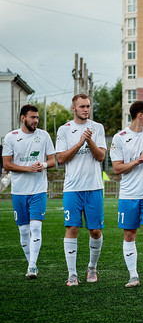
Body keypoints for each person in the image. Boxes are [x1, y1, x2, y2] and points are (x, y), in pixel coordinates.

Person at [110, 100, 143, 288]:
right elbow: (117, 169)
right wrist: (137, 161)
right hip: (128, 194)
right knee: (129, 235)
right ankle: (133, 276)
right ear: (139, 115)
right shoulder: (120, 137)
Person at [56, 94, 107, 286]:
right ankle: (72, 274)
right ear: (73, 108)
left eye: (88, 106)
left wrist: (89, 141)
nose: (86, 109)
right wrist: (79, 142)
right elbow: (61, 158)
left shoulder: (98, 127)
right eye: (82, 106)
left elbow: (101, 156)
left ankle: (92, 268)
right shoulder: (64, 130)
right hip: (72, 189)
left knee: (94, 231)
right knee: (72, 228)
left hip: (94, 187)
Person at [2, 104, 55, 279]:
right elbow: (7, 164)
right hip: (18, 191)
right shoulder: (11, 137)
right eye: (32, 117)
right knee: (23, 231)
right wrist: (28, 169)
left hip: (38, 190)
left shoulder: (44, 136)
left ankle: (32, 266)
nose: (36, 121)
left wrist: (44, 165)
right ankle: (31, 263)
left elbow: (53, 160)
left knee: (36, 227)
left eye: (37, 117)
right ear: (23, 118)